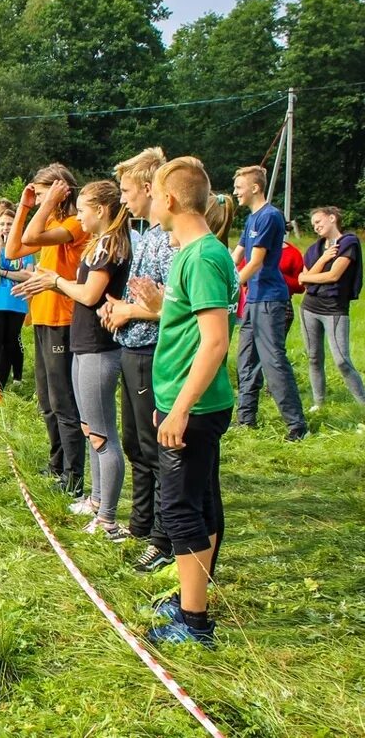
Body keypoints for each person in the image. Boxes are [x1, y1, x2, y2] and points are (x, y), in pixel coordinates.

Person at [141, 156, 238, 647]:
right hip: (192, 402)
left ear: (171, 200)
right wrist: (161, 307)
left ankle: (193, 623)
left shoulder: (200, 257)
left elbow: (215, 341)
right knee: (200, 503)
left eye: (154, 194)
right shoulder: (199, 253)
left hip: (194, 407)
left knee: (180, 510)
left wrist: (178, 408)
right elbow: (188, 326)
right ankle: (190, 597)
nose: (151, 203)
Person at [21, 181, 133, 541]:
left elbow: (88, 293)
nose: (79, 215)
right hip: (84, 343)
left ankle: (108, 519)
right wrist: (48, 281)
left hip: (100, 347)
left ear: (101, 210)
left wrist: (55, 281)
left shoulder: (110, 246)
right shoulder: (99, 244)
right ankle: (96, 500)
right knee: (90, 429)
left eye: (83, 208)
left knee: (102, 435)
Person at [101, 147, 176, 573]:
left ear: (150, 189)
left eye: (127, 191)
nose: (123, 200)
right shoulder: (145, 236)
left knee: (153, 446)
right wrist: (119, 309)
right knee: (133, 443)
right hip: (131, 347)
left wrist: (131, 312)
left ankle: (164, 538)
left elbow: (176, 307)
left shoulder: (168, 243)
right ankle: (142, 523)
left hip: (153, 353)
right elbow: (142, 296)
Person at [6, 164, 89, 496]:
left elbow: (29, 237)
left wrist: (44, 203)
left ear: (60, 191)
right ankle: (57, 464)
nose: (36, 198)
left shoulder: (74, 223)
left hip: (64, 321)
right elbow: (13, 250)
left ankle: (73, 476)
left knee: (63, 401)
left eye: (42, 193)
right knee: (46, 399)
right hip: (42, 318)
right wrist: (25, 206)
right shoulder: (50, 221)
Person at [230, 165, 307, 440]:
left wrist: (231, 285)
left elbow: (256, 261)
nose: (236, 192)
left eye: (239, 187)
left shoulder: (270, 216)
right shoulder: (251, 219)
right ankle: (246, 419)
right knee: (245, 361)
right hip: (253, 300)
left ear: (255, 187)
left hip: (270, 300)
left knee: (273, 361)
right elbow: (237, 256)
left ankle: (296, 426)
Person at [298, 206, 365, 409]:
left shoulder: (348, 243)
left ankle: (363, 404)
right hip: (309, 307)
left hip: (334, 309)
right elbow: (304, 282)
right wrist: (325, 258)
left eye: (319, 221)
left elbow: (333, 276)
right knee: (314, 358)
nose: (316, 226)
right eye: (313, 225)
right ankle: (319, 404)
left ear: (332, 218)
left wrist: (308, 277)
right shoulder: (314, 250)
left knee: (342, 360)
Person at [0, 207, 33, 390]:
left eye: (10, 224)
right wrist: (0, 246)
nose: (5, 228)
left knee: (8, 349)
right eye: (2, 224)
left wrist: (2, 271)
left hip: (16, 303)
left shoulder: (25, 248)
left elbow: (28, 275)